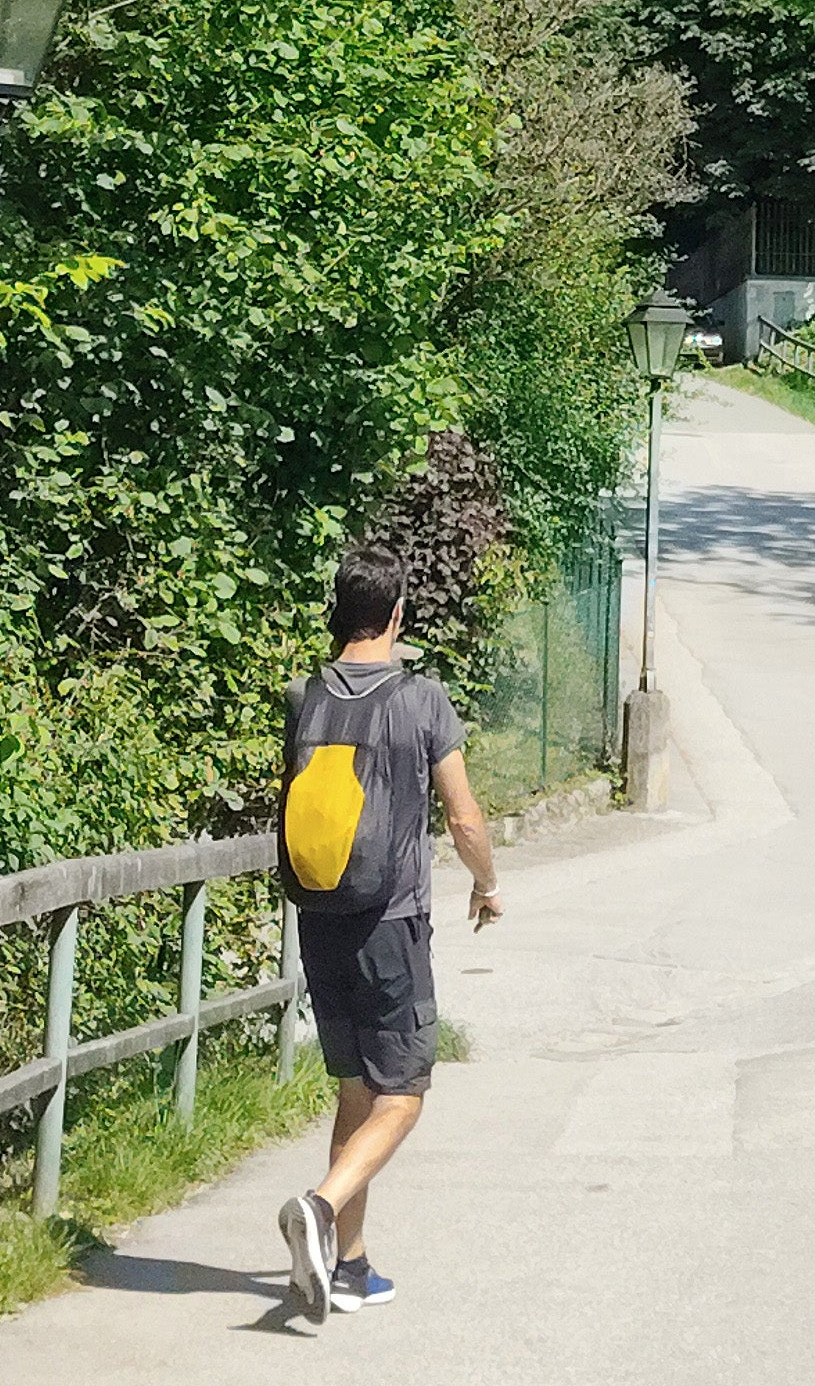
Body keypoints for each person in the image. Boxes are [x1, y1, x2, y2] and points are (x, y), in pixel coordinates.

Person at [275, 539, 502, 1322]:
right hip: (390, 922)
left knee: (356, 1088)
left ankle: (351, 1266)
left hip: (319, 919)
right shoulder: (421, 699)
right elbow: (463, 814)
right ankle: (321, 1208)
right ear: (398, 614)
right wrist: (487, 883)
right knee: (402, 1095)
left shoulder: (306, 697)